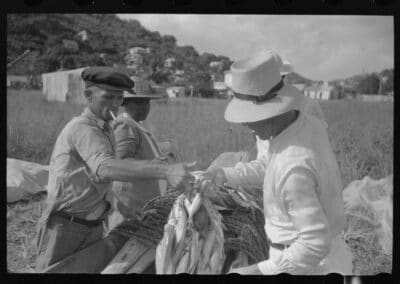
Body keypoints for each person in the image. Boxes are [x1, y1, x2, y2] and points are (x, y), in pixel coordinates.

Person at [201, 51, 353, 275]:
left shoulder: (293, 168)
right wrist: (225, 175)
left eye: (250, 115)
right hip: (330, 254)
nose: (244, 123)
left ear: (271, 110)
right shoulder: (304, 125)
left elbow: (314, 244)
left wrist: (256, 271)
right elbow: (268, 166)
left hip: (306, 266)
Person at [35, 67, 196, 272]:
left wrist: (124, 207)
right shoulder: (82, 128)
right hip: (66, 226)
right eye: (108, 97)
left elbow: (101, 180)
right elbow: (105, 167)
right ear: (88, 95)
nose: (114, 104)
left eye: (119, 98)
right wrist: (164, 170)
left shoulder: (106, 128)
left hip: (92, 225)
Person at [107, 76, 175, 230]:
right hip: (129, 210)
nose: (144, 106)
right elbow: (121, 163)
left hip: (142, 209)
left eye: (146, 102)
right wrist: (157, 166)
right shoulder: (125, 126)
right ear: (126, 104)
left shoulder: (137, 126)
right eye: (138, 102)